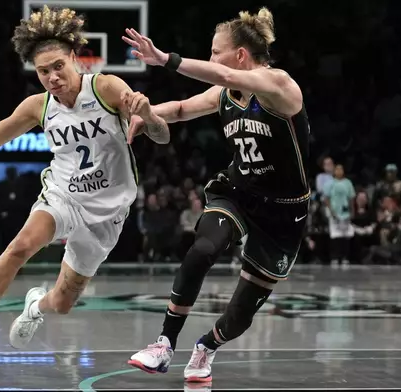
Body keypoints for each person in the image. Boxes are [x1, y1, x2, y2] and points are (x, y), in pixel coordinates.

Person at [0, 5, 169, 362]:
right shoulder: (38, 107)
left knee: (63, 303)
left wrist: (148, 115)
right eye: (43, 71)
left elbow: (161, 136)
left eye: (58, 67)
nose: (52, 77)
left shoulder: (107, 88)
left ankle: (36, 304)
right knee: (20, 246)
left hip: (108, 213)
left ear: (75, 59)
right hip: (63, 196)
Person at [122, 7, 310, 382]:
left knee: (241, 313)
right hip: (238, 192)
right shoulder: (225, 94)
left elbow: (224, 73)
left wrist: (165, 60)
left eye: (213, 51)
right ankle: (164, 344)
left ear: (240, 54)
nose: (211, 60)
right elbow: (179, 109)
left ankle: (206, 346)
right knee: (203, 248)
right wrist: (144, 115)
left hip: (284, 212)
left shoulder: (280, 86)